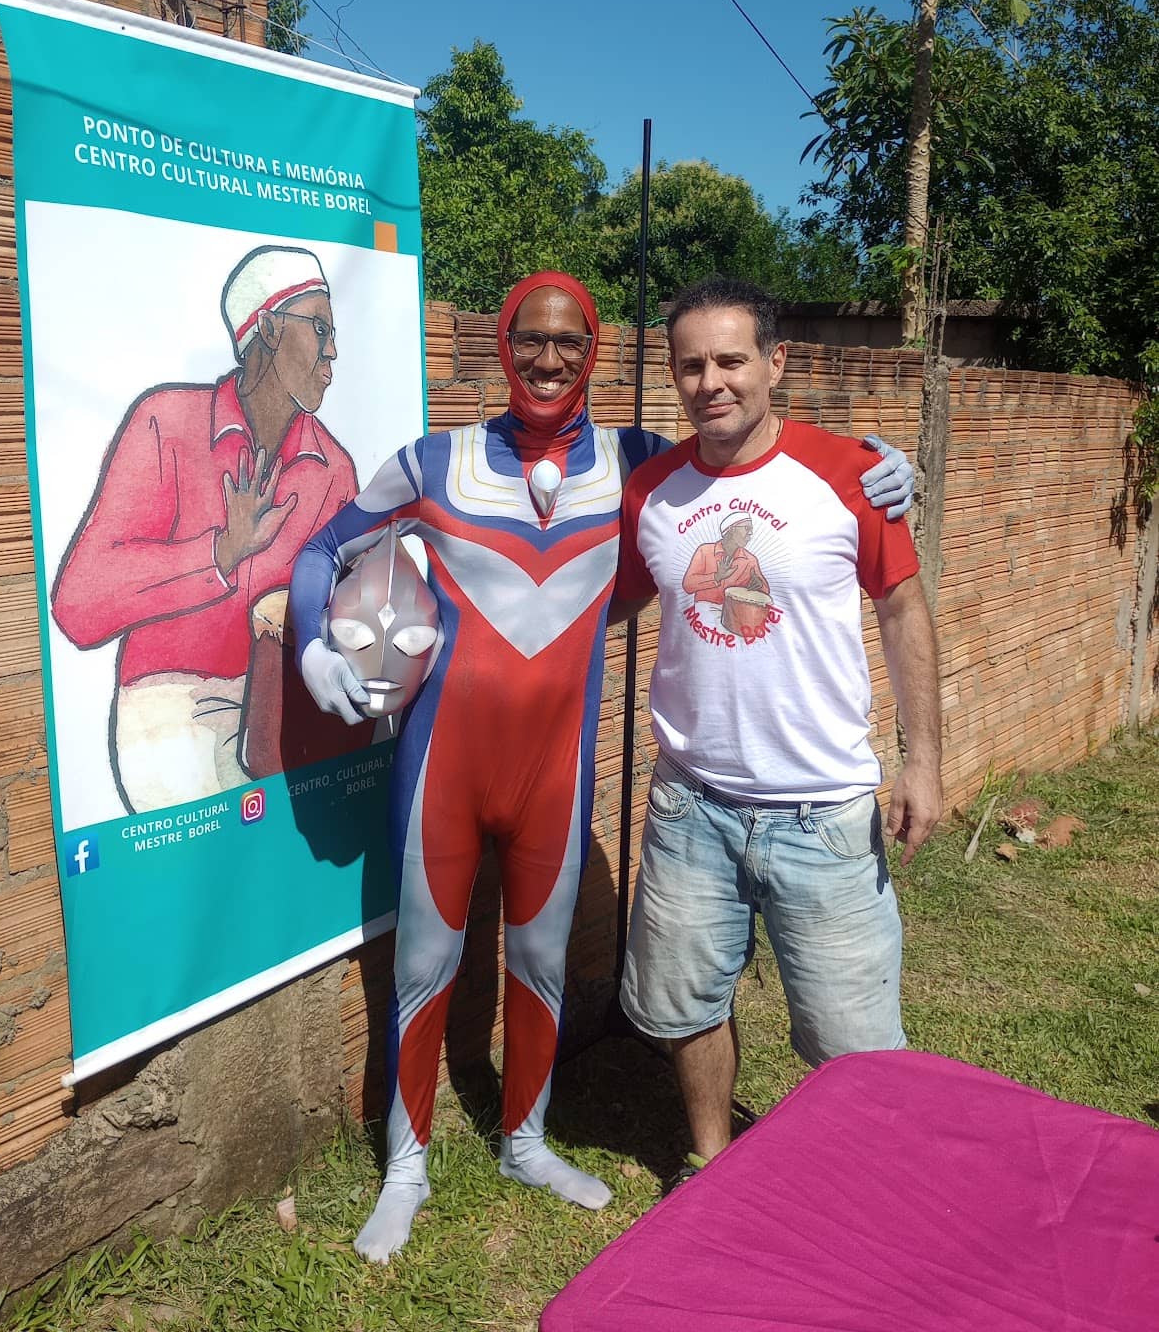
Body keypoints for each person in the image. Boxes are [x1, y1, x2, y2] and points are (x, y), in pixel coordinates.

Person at [289, 270, 916, 1263]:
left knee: (539, 960)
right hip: (438, 769)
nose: (547, 359)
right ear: (503, 345)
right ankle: (403, 1169)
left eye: (568, 342)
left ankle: (525, 1141)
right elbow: (321, 549)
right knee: (422, 966)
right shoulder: (432, 459)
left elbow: (754, 462)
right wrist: (311, 646)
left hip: (553, 775)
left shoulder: (639, 466)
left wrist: (885, 471)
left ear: (593, 352)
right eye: (528, 340)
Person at [611, 276, 943, 1175]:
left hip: (823, 815)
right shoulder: (650, 492)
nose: (710, 381)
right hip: (691, 809)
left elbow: (905, 613)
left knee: (853, 1043)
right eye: (690, 365)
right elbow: (605, 601)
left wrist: (925, 767)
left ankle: (857, 1189)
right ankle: (714, 1164)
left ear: (773, 362)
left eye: (730, 359)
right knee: (687, 1009)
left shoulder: (850, 475)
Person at [52, 244, 363, 812]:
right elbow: (78, 602)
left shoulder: (334, 469)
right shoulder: (167, 423)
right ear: (269, 328)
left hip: (286, 698)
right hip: (175, 698)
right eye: (319, 329)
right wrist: (219, 553)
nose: (333, 352)